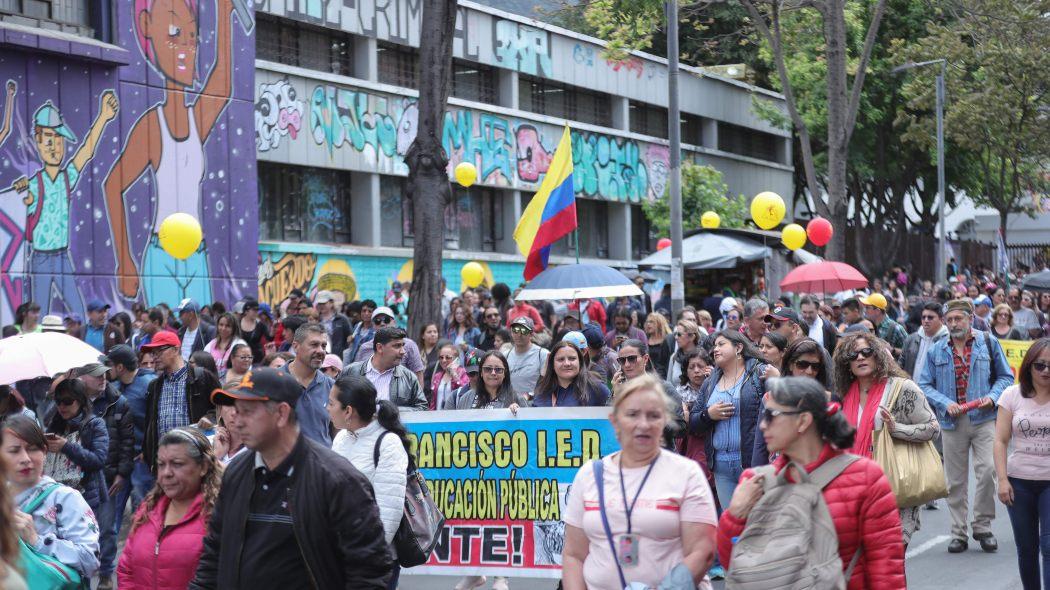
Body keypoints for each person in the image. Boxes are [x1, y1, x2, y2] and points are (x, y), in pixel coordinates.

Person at [191, 368, 392, 588]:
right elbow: (214, 554)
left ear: (281, 414)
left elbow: (369, 572)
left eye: (247, 411)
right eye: (234, 410)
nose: (236, 420)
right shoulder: (236, 471)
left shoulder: (338, 480)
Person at [716, 377, 906, 588]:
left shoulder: (865, 478)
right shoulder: (756, 482)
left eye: (771, 415)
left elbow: (886, 568)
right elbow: (735, 564)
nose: (762, 424)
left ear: (803, 421)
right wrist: (734, 516)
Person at [562, 374, 718, 590]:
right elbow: (573, 555)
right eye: (632, 414)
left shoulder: (686, 474)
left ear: (664, 421)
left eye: (653, 415)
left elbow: (702, 551)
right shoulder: (589, 475)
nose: (643, 424)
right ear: (615, 421)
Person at [918, 298, 1014, 554]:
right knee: (955, 481)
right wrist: (945, 402)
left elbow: (1006, 377)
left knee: (987, 472)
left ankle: (982, 526)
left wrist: (992, 398)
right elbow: (925, 384)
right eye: (949, 320)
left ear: (970, 318)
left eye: (958, 319)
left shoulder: (988, 342)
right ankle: (958, 532)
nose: (953, 324)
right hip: (952, 422)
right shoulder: (937, 349)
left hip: (984, 420)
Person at [832, 333, 940, 545]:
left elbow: (933, 429)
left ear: (878, 355)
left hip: (894, 490)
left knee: (891, 564)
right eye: (853, 355)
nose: (860, 358)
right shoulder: (844, 395)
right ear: (847, 363)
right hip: (854, 492)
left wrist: (895, 428)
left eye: (866, 352)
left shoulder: (901, 389)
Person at [328, 376, 410, 588]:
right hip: (339, 556)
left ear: (348, 411)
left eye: (331, 403)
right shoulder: (341, 439)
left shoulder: (388, 443)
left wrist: (365, 560)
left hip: (371, 564)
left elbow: (388, 514)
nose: (326, 408)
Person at [118, 427, 222, 590]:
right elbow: (126, 569)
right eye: (161, 464)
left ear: (203, 467)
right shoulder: (147, 510)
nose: (166, 473)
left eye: (177, 464)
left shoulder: (217, 517)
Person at [3, 415, 100, 579]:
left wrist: (37, 540)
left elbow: (90, 561)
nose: (25, 459)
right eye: (14, 451)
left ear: (45, 452)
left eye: (33, 448)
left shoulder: (66, 498)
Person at [688, 329, 771, 509]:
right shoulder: (710, 382)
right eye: (714, 346)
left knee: (754, 521)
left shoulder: (759, 374)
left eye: (721, 344)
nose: (715, 350)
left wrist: (778, 380)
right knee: (731, 522)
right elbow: (693, 422)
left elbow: (777, 408)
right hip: (720, 466)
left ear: (738, 347)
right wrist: (708, 415)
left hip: (751, 462)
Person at [995, 338, 1050, 589]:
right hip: (1019, 482)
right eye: (1040, 365)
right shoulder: (1011, 395)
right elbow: (1000, 440)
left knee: (1049, 547)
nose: (1046, 371)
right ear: (1029, 366)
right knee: (1027, 549)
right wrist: (1003, 480)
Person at [76, 362, 135, 587]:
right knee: (78, 526)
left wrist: (122, 474)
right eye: (96, 376)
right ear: (83, 379)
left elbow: (128, 442)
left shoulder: (118, 402)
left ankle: (106, 573)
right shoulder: (73, 402)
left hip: (108, 476)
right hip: (79, 478)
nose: (102, 379)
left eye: (104, 375)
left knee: (108, 528)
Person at [141, 331, 221, 476]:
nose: (154, 357)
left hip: (196, 461)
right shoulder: (154, 386)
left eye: (159, 351)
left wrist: (210, 418)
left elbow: (223, 407)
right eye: (153, 353)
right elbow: (150, 425)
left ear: (176, 349)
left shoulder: (201, 377)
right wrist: (150, 457)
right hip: (165, 463)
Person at [44, 377, 110, 523]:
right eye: (58, 401)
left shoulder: (95, 424)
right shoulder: (54, 425)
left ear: (80, 400)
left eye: (67, 401)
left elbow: (98, 460)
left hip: (86, 496)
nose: (62, 406)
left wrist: (66, 447)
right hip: (56, 497)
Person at [105, 344, 157, 513]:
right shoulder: (115, 388)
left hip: (142, 462)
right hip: (121, 461)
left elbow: (157, 420)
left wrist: (148, 451)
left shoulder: (149, 385)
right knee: (112, 514)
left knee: (144, 512)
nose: (107, 368)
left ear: (120, 367)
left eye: (109, 364)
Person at [342, 327, 428, 411]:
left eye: (403, 346)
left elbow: (422, 408)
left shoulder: (409, 377)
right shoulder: (350, 372)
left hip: (392, 425)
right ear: (379, 348)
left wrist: (391, 411)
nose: (403, 351)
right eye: (397, 346)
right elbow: (337, 404)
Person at [351, 307, 427, 384]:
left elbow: (418, 375)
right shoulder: (365, 348)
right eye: (378, 321)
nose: (382, 323)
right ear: (373, 325)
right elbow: (358, 375)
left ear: (394, 322)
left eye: (386, 320)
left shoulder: (409, 345)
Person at [532, 342, 611, 407]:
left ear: (580, 362)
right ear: (552, 364)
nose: (567, 363)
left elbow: (614, 411)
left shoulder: (596, 387)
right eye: (560, 359)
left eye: (572, 358)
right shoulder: (543, 390)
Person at [444, 350, 526, 411]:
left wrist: (518, 415)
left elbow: (529, 428)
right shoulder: (466, 398)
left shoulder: (517, 398)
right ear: (481, 372)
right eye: (488, 369)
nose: (493, 373)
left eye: (498, 369)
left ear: (505, 373)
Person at [900, 302, 949, 379]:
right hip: (911, 388)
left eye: (930, 317)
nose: (926, 320)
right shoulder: (911, 339)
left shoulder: (948, 342)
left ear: (942, 320)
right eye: (923, 317)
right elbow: (901, 364)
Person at [506, 317, 549, 397]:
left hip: (534, 404)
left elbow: (547, 383)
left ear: (531, 333)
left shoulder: (542, 354)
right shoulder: (505, 355)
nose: (519, 334)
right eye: (515, 330)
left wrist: (529, 396)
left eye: (523, 331)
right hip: (511, 405)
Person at [431, 342, 470, 410]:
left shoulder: (464, 373)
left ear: (456, 359)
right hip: (438, 417)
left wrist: (454, 375)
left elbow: (465, 393)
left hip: (455, 417)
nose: (444, 360)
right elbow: (433, 402)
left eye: (448, 357)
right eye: (441, 357)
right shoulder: (437, 376)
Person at [314, 290, 353, 360]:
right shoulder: (315, 320)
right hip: (320, 358)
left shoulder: (342, 319)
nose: (321, 306)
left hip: (339, 359)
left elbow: (350, 338)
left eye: (324, 303)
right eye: (319, 303)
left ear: (331, 303)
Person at [667, 319, 705, 385]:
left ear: (692, 337)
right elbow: (669, 384)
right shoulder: (674, 357)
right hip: (676, 394)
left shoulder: (704, 356)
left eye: (679, 334)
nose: (676, 337)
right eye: (675, 334)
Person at [347, 299, 378, 364]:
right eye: (364, 311)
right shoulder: (357, 326)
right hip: (354, 363)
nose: (366, 313)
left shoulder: (377, 329)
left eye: (370, 311)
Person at [644, 312, 673, 378]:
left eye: (651, 322)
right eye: (647, 322)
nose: (648, 324)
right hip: (648, 376)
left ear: (659, 323)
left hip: (665, 376)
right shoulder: (645, 339)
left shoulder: (668, 340)